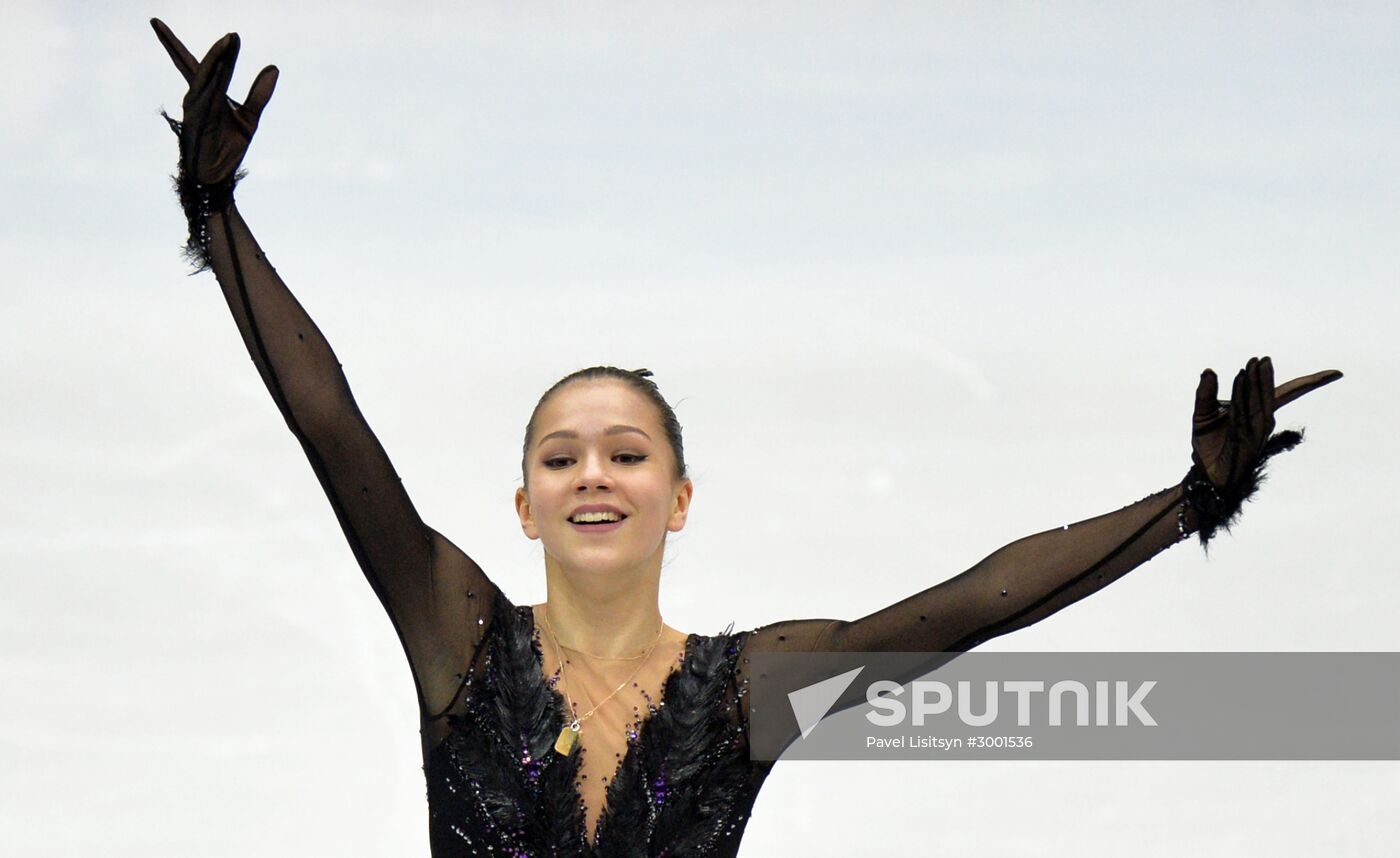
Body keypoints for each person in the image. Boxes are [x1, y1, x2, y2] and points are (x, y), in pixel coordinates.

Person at [150, 20, 1343, 857]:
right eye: (560, 456)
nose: (592, 474)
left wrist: (1189, 501)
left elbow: (968, 608)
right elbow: (330, 425)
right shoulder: (451, 627)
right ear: (523, 505)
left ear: (677, 499)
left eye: (626, 453)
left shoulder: (745, 691)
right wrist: (220, 217)